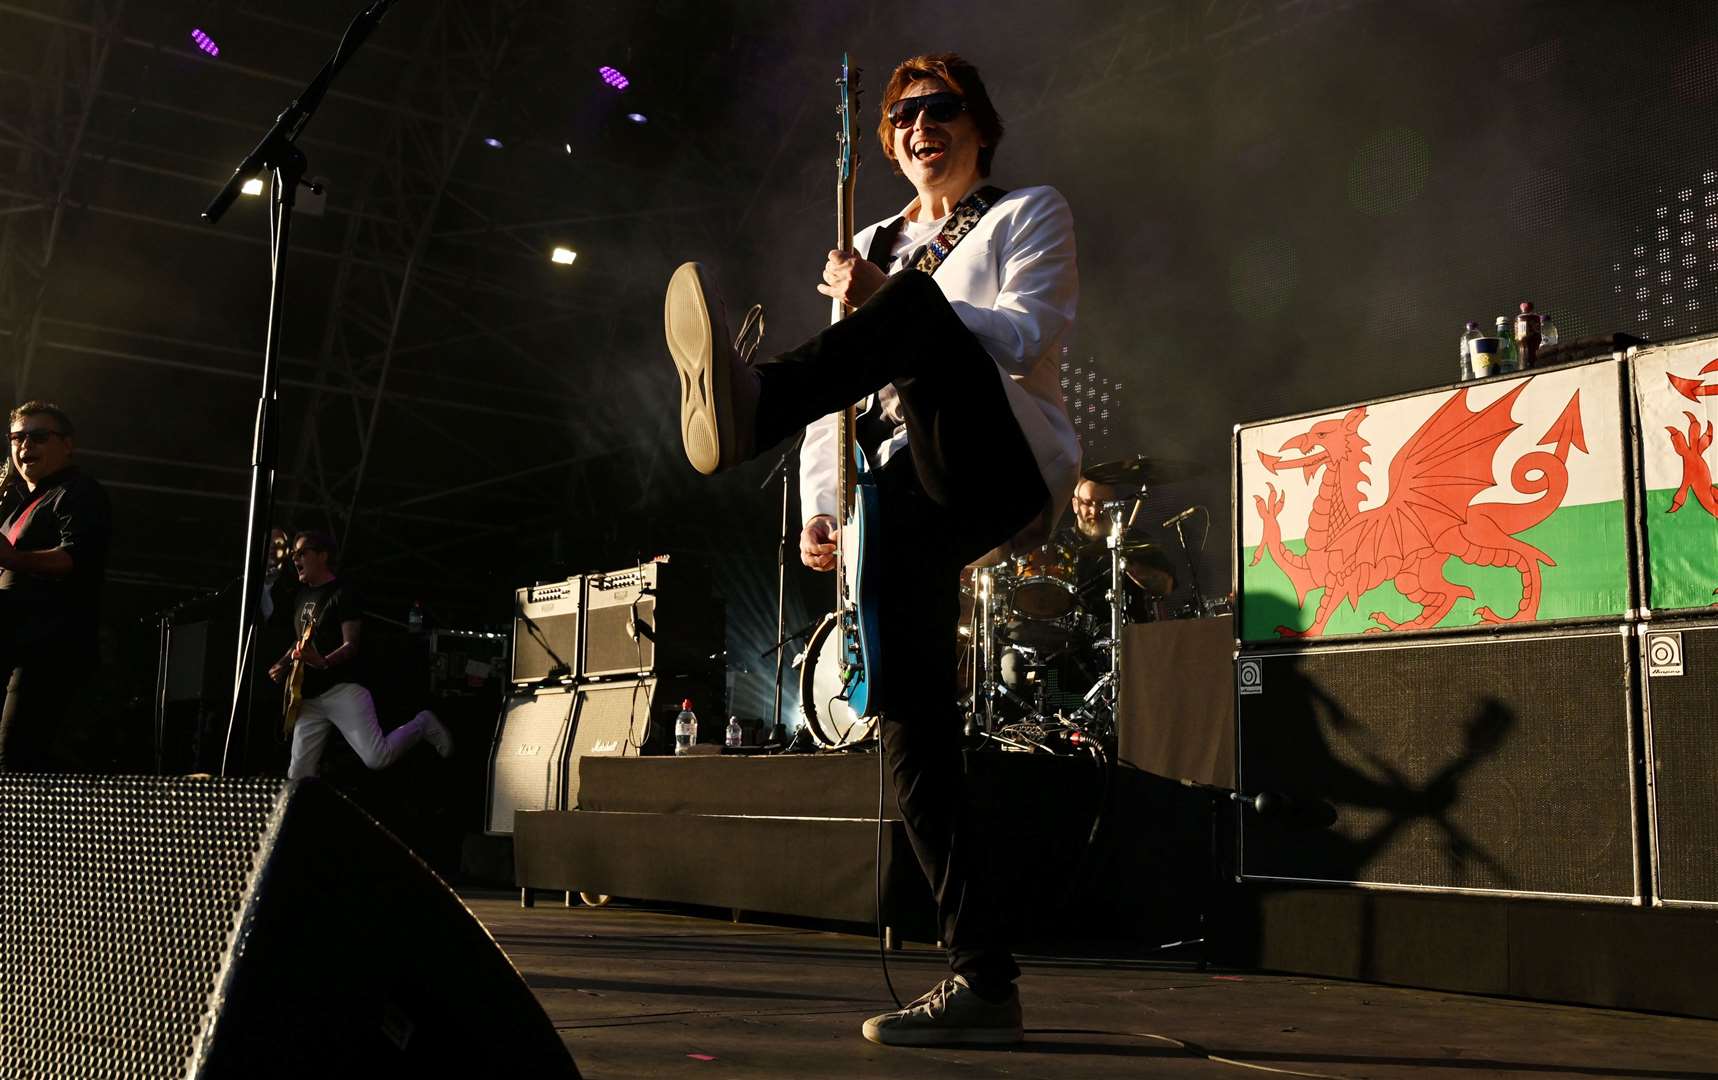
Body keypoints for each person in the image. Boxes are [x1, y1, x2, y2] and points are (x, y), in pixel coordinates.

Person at [662, 52, 1079, 1046]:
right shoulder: (869, 238)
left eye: (939, 112)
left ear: (979, 124)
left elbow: (1026, 337)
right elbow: (843, 407)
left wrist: (890, 294)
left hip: (992, 462)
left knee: (916, 318)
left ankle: (751, 396)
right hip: (894, 491)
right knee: (912, 725)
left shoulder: (1028, 212)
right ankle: (983, 980)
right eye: (900, 119)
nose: (918, 129)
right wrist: (819, 506)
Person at [270, 529, 453, 780]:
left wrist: (323, 662)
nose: (295, 559)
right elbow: (301, 640)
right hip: (310, 697)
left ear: (322, 556)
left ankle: (423, 723)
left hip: (342, 690)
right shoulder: (300, 596)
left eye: (302, 553)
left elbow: (351, 645)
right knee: (298, 776)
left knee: (377, 758)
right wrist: (282, 662)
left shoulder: (343, 593)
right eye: (293, 555)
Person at [0, 402, 112, 771]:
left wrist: (13, 558)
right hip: (14, 647)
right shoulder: (20, 506)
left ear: (67, 444)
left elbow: (75, 559)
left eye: (38, 436)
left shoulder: (79, 491)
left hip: (48, 653)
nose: (24, 445)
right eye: (17, 437)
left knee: (16, 763)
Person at [1065, 476, 1177, 624]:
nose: (1095, 510)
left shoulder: (1135, 539)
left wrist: (1132, 569)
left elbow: (1166, 586)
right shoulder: (1060, 543)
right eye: (1087, 503)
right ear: (1075, 505)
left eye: (1102, 504)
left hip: (1131, 636)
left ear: (1115, 505)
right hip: (1072, 638)